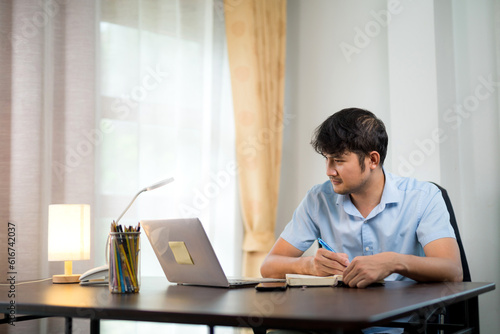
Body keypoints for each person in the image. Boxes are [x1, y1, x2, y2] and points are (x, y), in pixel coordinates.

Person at [261, 108, 463, 288]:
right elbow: (269, 267)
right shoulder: (318, 198)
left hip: (403, 325)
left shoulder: (423, 197)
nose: (329, 171)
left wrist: (393, 262)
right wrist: (309, 265)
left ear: (372, 160)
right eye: (327, 159)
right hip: (336, 323)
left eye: (338, 160)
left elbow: (452, 271)